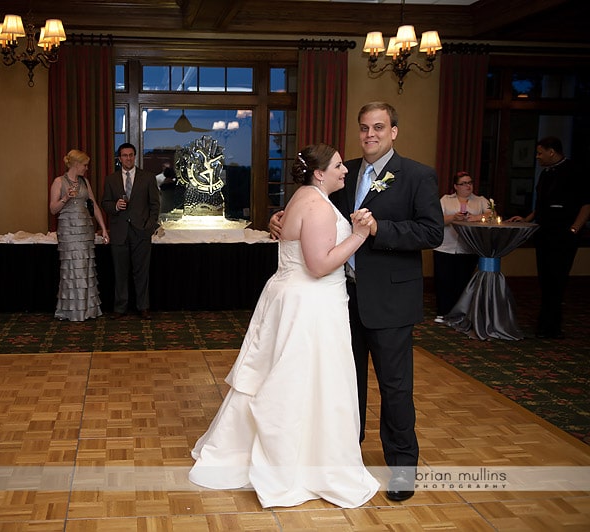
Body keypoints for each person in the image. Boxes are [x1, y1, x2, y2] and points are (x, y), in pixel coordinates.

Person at [270, 102, 443, 502]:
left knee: (395, 388)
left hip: (390, 300)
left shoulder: (418, 175)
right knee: (344, 386)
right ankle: (347, 461)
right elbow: (310, 208)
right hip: (339, 299)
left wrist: (381, 228)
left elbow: (432, 232)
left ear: (394, 131)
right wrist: (280, 219)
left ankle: (402, 469)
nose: (370, 135)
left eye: (379, 128)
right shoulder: (340, 171)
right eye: (364, 128)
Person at [190, 144, 379, 508]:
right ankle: (299, 463)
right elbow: (319, 265)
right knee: (305, 379)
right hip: (312, 304)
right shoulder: (318, 206)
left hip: (291, 298)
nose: (345, 170)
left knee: (288, 374)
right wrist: (357, 234)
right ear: (319, 173)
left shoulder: (302, 198)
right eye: (339, 165)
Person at [508, 137, 590, 339]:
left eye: (539, 153)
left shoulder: (575, 171)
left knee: (557, 280)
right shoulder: (545, 174)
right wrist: (527, 219)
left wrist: (573, 230)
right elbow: (542, 204)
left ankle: (552, 327)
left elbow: (586, 204)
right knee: (545, 280)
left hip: (564, 235)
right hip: (544, 234)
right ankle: (544, 325)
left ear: (551, 152)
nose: (537, 157)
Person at [101, 143, 160, 320]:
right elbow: (105, 203)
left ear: (135, 156)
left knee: (142, 272)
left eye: (131, 155)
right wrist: (115, 206)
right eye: (124, 155)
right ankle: (120, 308)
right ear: (119, 158)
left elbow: (155, 205)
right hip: (119, 232)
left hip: (141, 232)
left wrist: (149, 227)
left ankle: (143, 307)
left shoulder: (148, 178)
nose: (128, 158)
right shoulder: (110, 179)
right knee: (120, 272)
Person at [49, 149, 109, 321]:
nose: (86, 168)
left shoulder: (85, 182)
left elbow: (94, 205)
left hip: (85, 229)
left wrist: (103, 228)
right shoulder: (59, 182)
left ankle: (87, 310)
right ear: (76, 164)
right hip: (68, 230)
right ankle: (71, 310)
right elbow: (53, 209)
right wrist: (65, 197)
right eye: (84, 165)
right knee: (71, 269)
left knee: (86, 268)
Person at [433, 171, 491, 322]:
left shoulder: (480, 201)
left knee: (463, 281)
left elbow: (491, 215)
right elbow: (436, 220)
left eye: (470, 182)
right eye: (463, 183)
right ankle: (443, 312)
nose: (467, 186)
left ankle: (461, 313)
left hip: (468, 247)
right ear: (455, 186)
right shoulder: (446, 200)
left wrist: (476, 217)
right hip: (445, 246)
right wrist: (453, 217)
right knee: (444, 281)